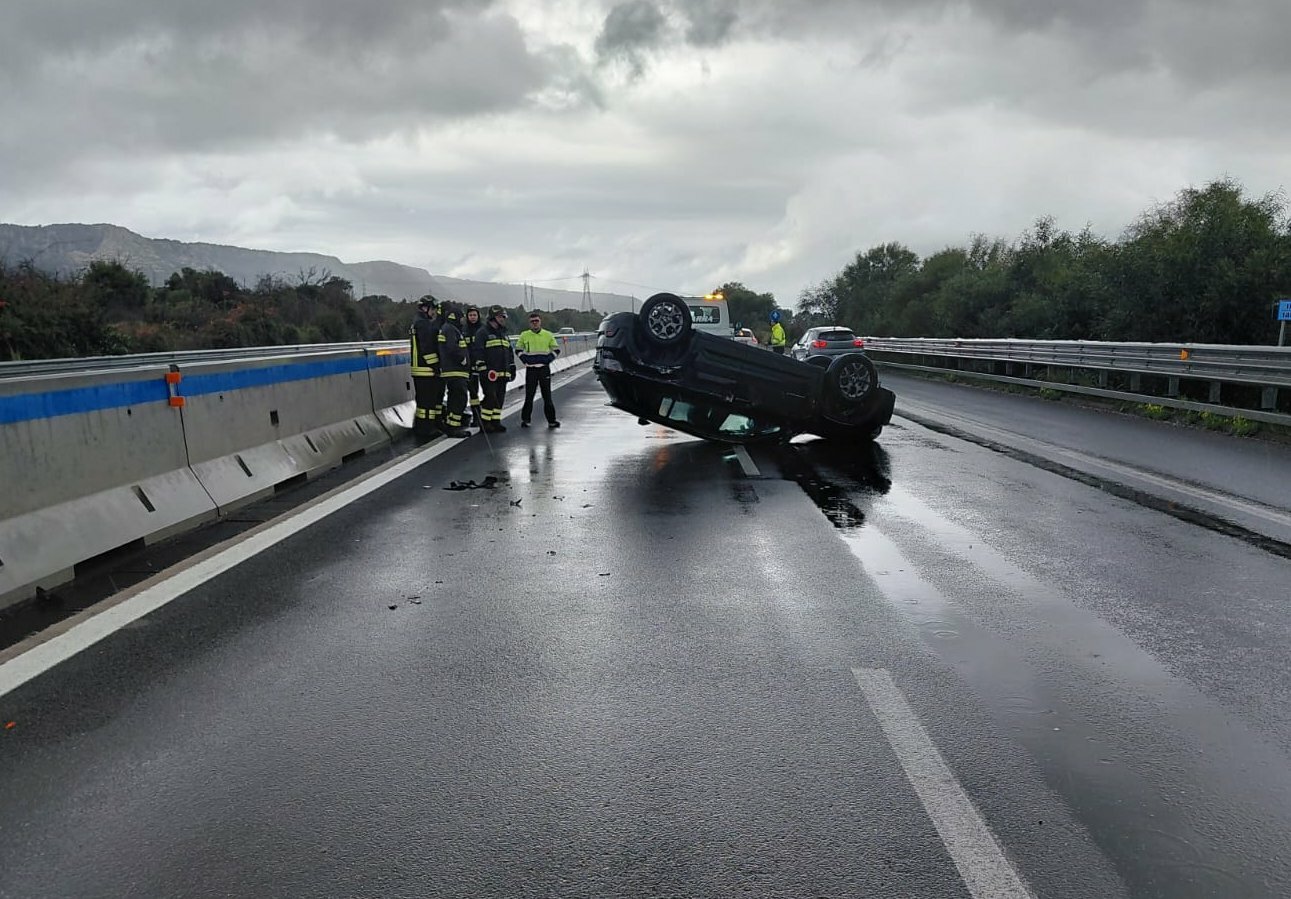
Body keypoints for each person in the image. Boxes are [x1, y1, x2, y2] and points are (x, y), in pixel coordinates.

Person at [515, 311, 560, 428]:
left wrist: (548, 359)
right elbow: (518, 349)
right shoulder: (524, 335)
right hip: (531, 370)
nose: (535, 323)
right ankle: (526, 420)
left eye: (536, 321)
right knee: (529, 396)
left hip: (544, 369)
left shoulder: (548, 335)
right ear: (529, 323)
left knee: (547, 396)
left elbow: (556, 349)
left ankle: (552, 420)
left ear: (540, 322)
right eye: (532, 321)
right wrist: (525, 359)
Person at [474, 305, 515, 432]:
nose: (503, 319)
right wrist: (484, 370)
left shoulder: (503, 333)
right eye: (500, 317)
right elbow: (478, 353)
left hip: (503, 373)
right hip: (489, 374)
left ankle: (496, 421)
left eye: (504, 317)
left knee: (500, 399)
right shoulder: (483, 333)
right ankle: (485, 423)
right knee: (490, 399)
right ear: (493, 317)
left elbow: (509, 352)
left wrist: (512, 367)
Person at [436, 302, 472, 438]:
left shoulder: (450, 328)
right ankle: (453, 426)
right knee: (459, 398)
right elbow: (452, 348)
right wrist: (462, 359)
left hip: (455, 371)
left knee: (456, 397)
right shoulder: (450, 329)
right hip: (454, 370)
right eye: (461, 317)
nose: (463, 320)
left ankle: (453, 424)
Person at [409, 296, 441, 443]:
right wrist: (435, 366)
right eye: (432, 309)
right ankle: (427, 429)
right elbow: (427, 348)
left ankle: (423, 427)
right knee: (428, 402)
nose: (434, 312)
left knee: (423, 402)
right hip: (426, 369)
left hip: (419, 368)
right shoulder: (423, 324)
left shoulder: (417, 322)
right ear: (425, 308)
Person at [462, 305, 485, 429]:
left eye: (474, 315)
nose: (472, 317)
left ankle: (487, 417)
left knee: (488, 391)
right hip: (469, 366)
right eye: (470, 315)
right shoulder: (463, 330)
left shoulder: (483, 329)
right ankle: (477, 417)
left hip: (483, 364)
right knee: (473, 393)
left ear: (478, 316)